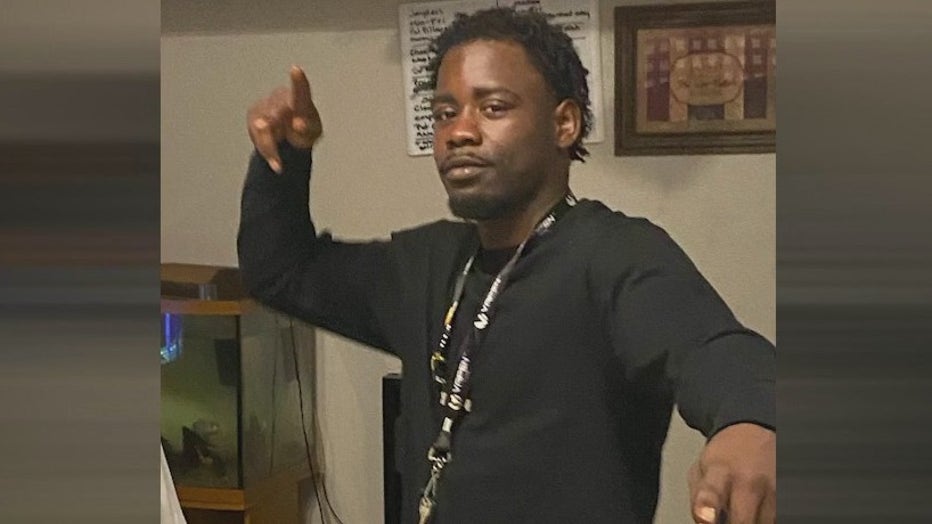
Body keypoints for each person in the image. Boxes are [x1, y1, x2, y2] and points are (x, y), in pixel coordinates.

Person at [238, 8, 775, 524]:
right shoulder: (425, 264)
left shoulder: (616, 255)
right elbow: (280, 272)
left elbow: (713, 348)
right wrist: (284, 156)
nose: (459, 131)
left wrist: (752, 422)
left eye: (492, 107)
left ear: (564, 123)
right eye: (444, 113)